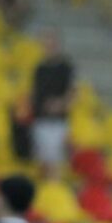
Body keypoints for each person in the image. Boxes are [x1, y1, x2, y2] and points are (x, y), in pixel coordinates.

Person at [30, 29, 74, 179]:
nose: (48, 46)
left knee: (55, 158)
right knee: (43, 159)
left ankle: (54, 187)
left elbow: (70, 92)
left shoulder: (65, 68)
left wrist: (59, 104)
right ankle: (46, 189)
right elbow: (36, 93)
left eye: (51, 43)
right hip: (41, 118)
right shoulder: (39, 69)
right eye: (45, 43)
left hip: (58, 121)